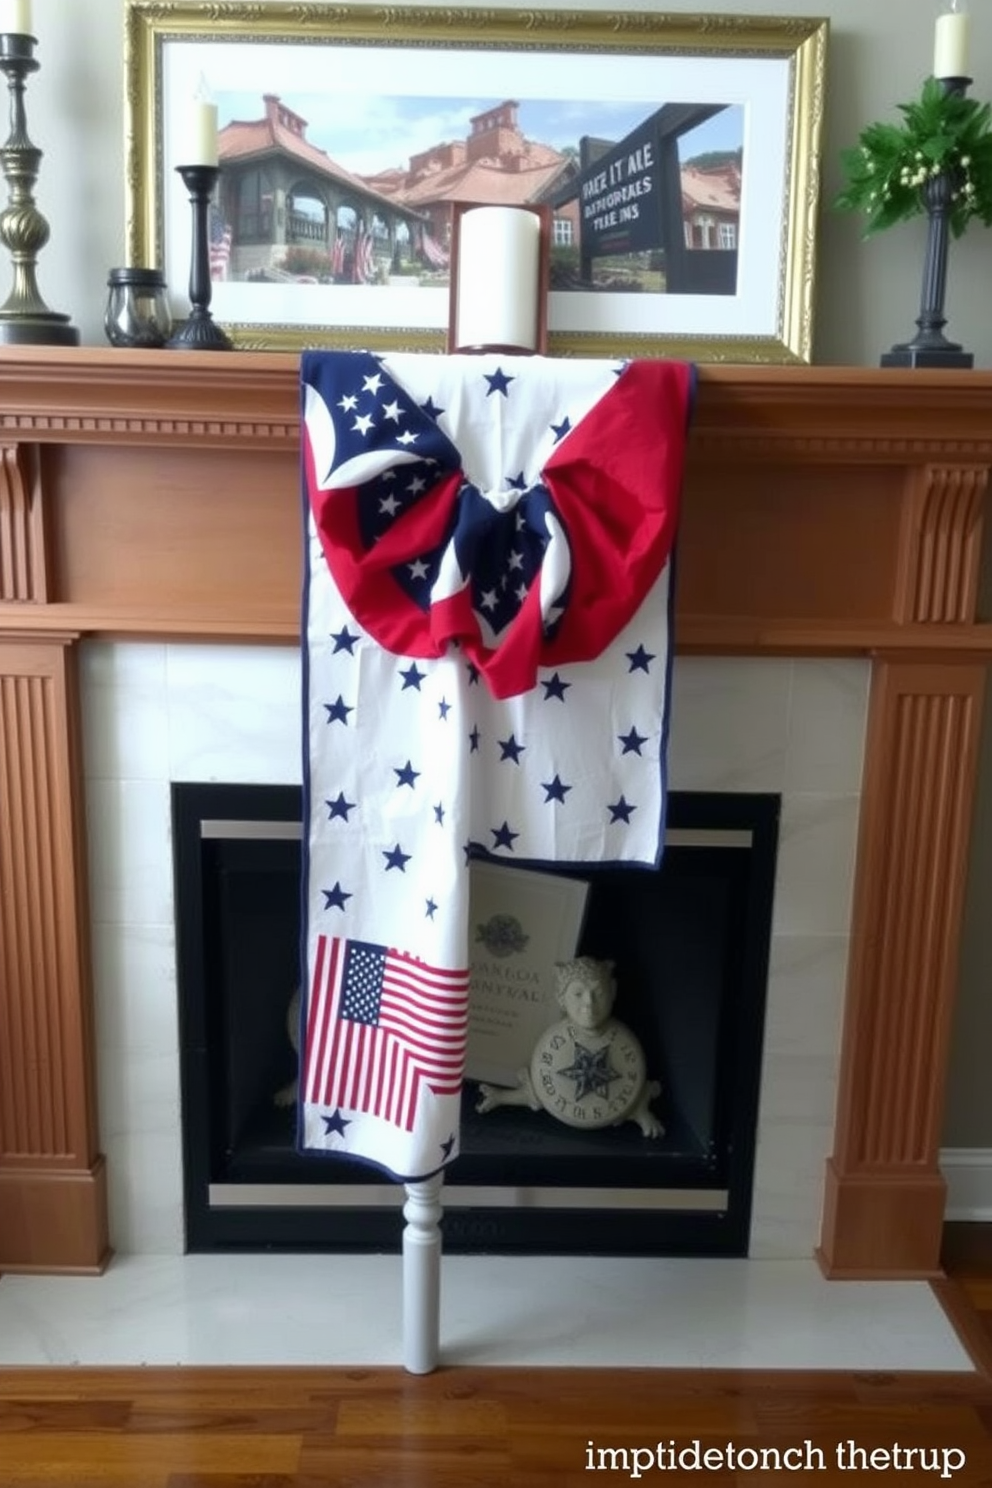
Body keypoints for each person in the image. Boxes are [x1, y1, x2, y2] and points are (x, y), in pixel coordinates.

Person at [476, 956, 663, 1136]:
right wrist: (500, 1097)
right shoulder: (551, 1041)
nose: (589, 1003)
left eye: (598, 993)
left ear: (612, 991)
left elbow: (634, 1092)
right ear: (561, 999)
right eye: (578, 994)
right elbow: (538, 1093)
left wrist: (641, 1113)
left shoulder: (625, 1042)